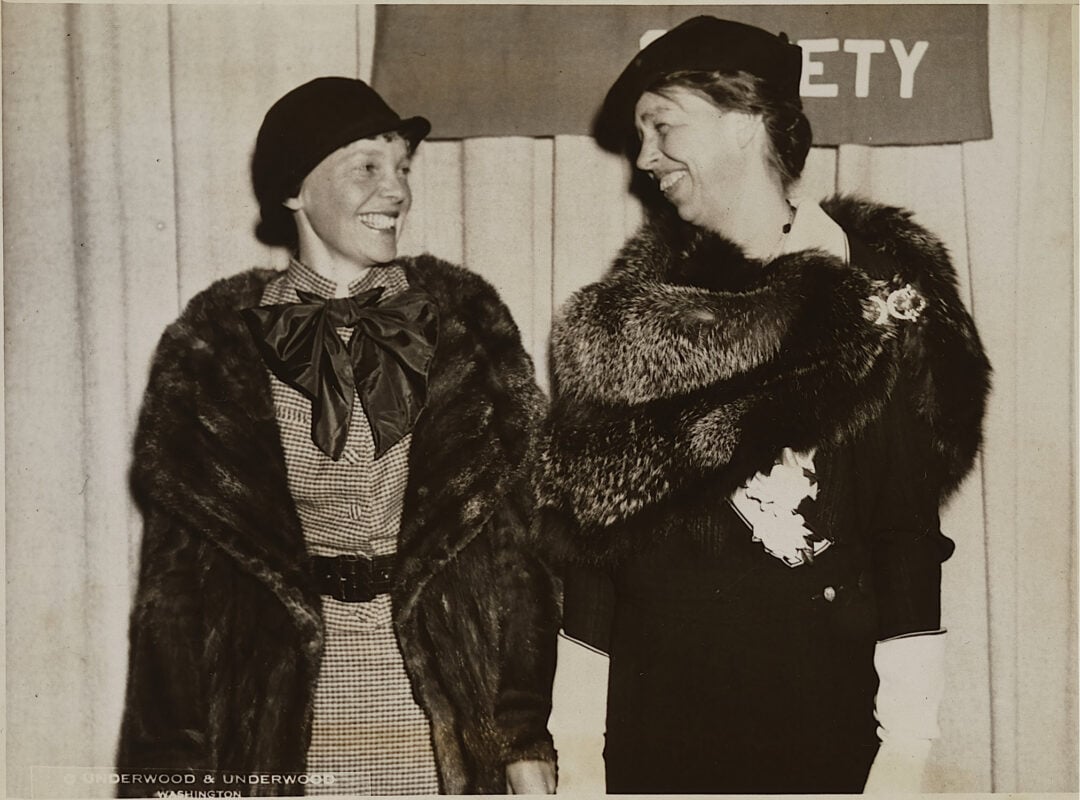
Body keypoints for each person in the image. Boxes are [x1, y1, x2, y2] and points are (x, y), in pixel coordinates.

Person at [538, 17, 991, 794]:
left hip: (820, 731)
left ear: (746, 123)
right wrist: (576, 742)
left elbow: (904, 536)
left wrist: (907, 752)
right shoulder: (627, 316)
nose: (644, 158)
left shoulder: (885, 298)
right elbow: (594, 551)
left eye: (662, 126)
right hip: (653, 732)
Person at [117, 77, 558, 796]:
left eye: (402, 169)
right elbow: (173, 594)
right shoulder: (213, 345)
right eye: (367, 167)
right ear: (295, 190)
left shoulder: (468, 327)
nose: (396, 192)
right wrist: (168, 769)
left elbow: (518, 558)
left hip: (433, 713)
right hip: (277, 719)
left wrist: (522, 736)